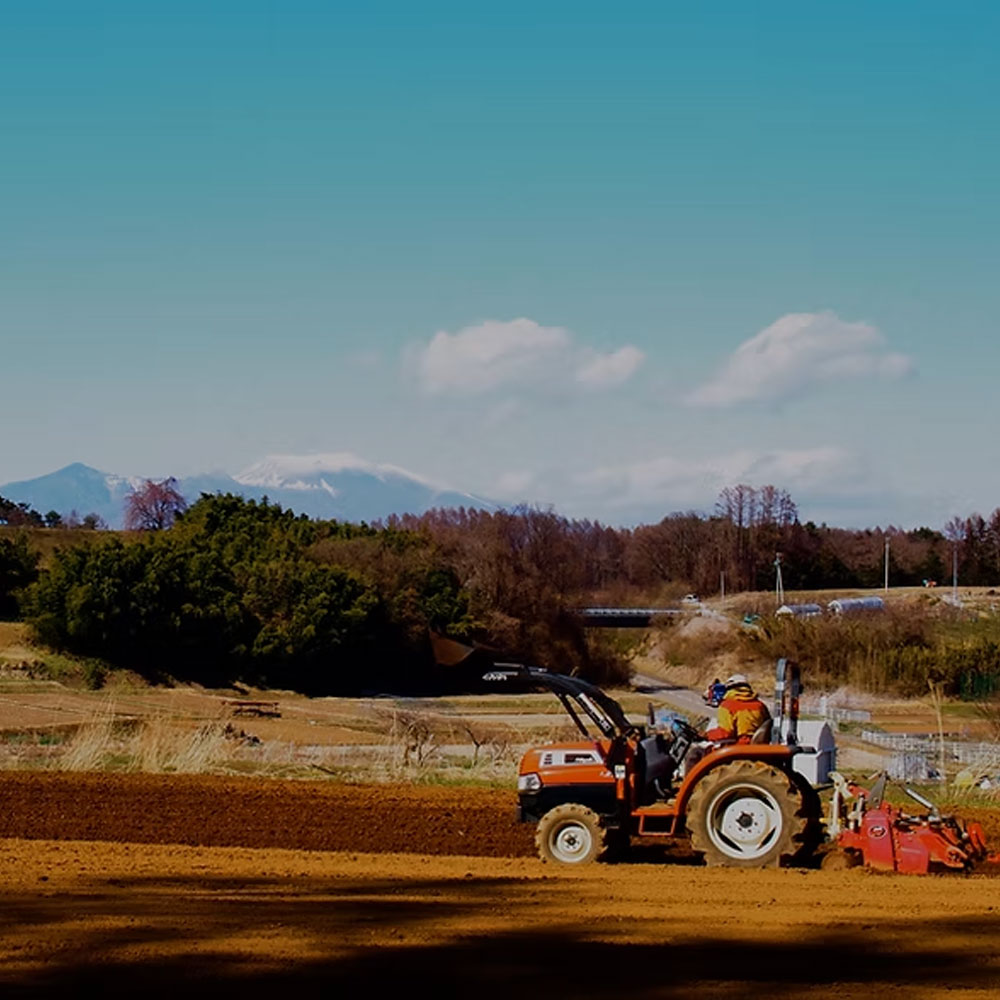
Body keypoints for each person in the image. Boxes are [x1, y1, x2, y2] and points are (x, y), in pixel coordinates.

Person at [706, 674, 771, 743]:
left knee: (698, 751)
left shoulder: (727, 705)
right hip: (758, 748)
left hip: (737, 749)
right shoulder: (760, 705)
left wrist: (706, 735)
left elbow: (725, 733)